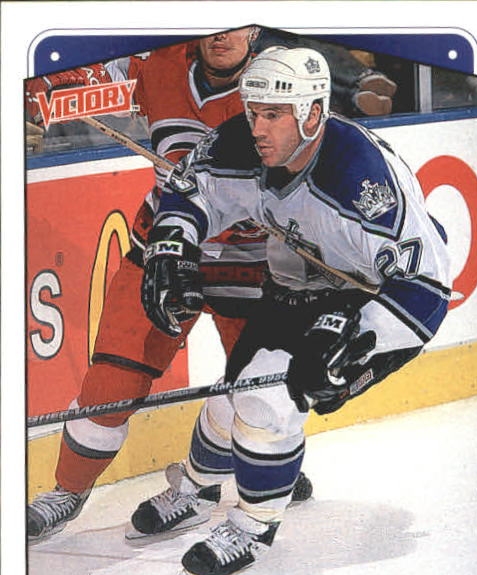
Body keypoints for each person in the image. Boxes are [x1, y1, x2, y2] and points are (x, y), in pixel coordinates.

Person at [25, 29, 397, 542]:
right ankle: (66, 491)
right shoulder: (156, 63)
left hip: (255, 259)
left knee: (261, 386)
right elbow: (80, 80)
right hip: (164, 249)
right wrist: (37, 88)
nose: (222, 34)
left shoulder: (277, 81)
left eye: (236, 22)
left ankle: (245, 470)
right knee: (112, 380)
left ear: (254, 28)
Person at [138, 45, 452, 575]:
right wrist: (171, 242)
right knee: (231, 398)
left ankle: (253, 527)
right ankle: (197, 487)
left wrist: (359, 340)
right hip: (291, 286)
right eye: (253, 111)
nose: (257, 128)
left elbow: (428, 285)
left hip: (369, 302)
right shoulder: (245, 141)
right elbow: (192, 188)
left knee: (269, 402)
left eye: (273, 115)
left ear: (313, 113)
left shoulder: (362, 182)